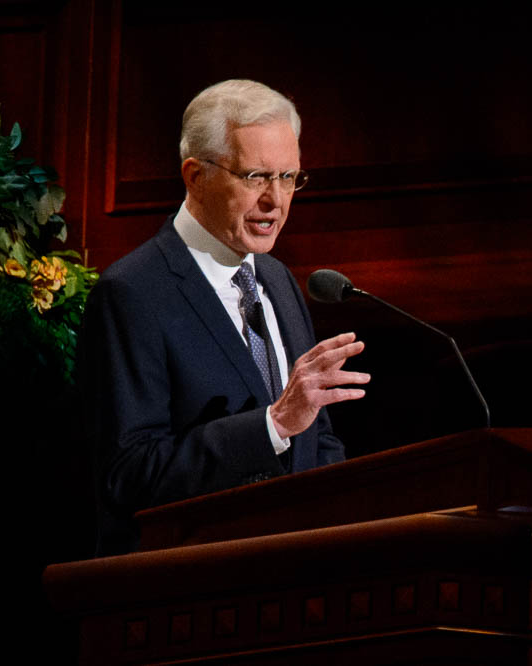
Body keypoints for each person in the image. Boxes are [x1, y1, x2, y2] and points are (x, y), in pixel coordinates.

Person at [80, 79, 370, 555]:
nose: (276, 201)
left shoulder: (277, 280)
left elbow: (315, 439)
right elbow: (128, 476)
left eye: (289, 177)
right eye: (256, 177)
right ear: (195, 176)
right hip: (188, 585)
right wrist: (270, 426)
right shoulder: (131, 294)